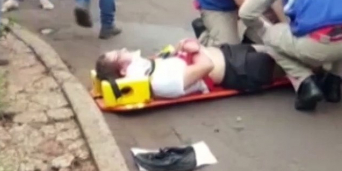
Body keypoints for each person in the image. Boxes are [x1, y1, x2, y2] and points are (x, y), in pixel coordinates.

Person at [95, 39, 277, 99]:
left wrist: (180, 46)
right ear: (124, 71)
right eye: (120, 54)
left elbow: (169, 58)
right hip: (240, 69)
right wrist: (194, 49)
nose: (124, 49)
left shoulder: (147, 67)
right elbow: (206, 66)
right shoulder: (158, 82)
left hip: (230, 53)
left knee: (275, 46)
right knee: (288, 57)